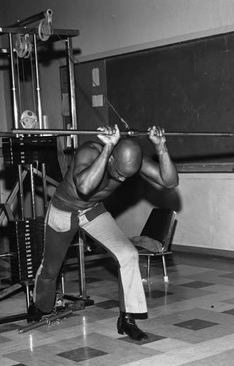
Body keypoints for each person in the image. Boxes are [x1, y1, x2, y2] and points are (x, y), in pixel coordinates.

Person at [28, 124, 179, 340]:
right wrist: (107, 148)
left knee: (128, 254)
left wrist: (161, 147)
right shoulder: (90, 152)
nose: (122, 179)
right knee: (51, 269)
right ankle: (40, 305)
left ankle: (126, 319)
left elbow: (170, 181)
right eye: (118, 173)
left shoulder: (132, 161)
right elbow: (85, 188)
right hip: (64, 208)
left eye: (128, 175)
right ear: (110, 158)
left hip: (92, 211)